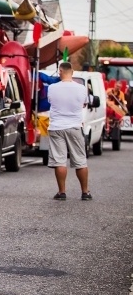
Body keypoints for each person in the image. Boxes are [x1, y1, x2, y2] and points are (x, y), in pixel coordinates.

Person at [47, 62, 91, 201]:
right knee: (80, 160)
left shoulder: (52, 88)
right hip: (75, 126)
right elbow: (84, 104)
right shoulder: (81, 88)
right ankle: (85, 192)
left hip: (56, 127)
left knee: (60, 161)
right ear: (72, 72)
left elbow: (50, 102)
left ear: (60, 71)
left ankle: (62, 192)